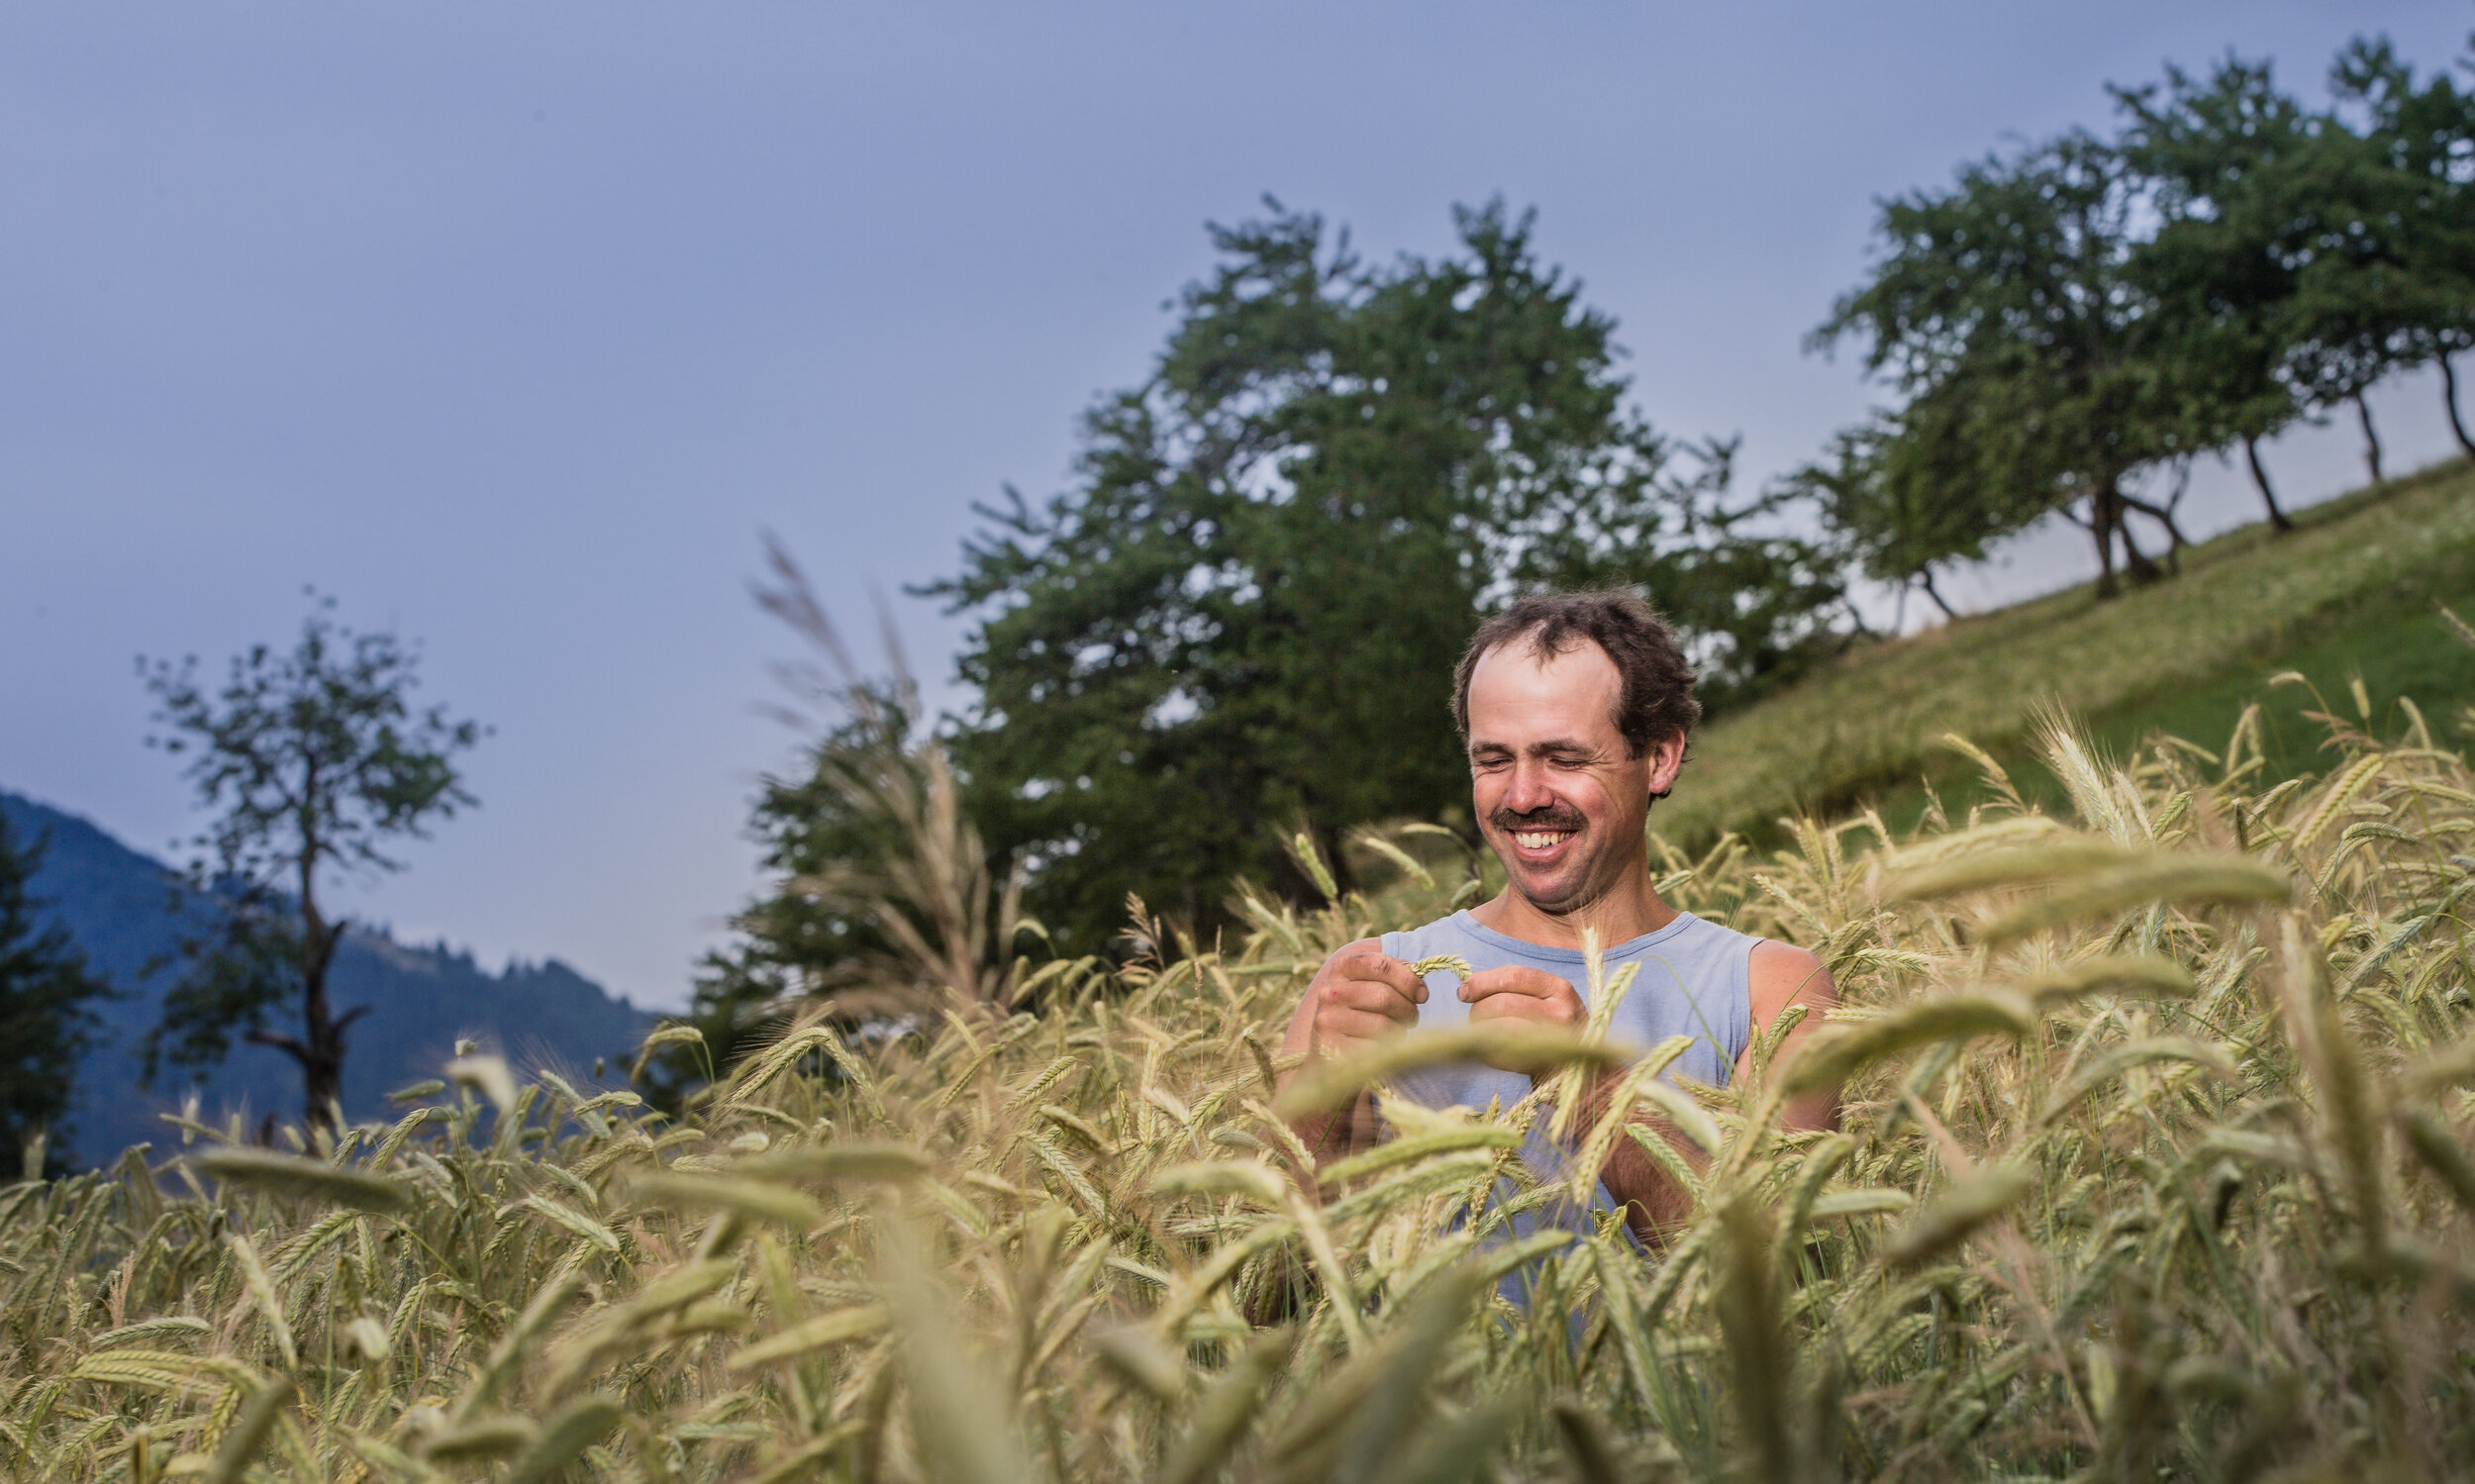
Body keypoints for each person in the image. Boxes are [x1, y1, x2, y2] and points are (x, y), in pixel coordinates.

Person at [1276, 591, 1840, 1249]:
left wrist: (1587, 1086)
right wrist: (1325, 1096)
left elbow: (1774, 1264)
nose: (1522, 796)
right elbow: (1263, 1296)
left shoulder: (1771, 990)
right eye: (1493, 760)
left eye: (1563, 758)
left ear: (1659, 757)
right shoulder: (1368, 981)